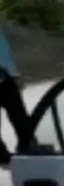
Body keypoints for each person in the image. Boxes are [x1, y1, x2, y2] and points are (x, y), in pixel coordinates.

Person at [0, 28, 30, 164]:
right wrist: (15, 74)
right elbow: (3, 53)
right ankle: (27, 147)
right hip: (3, 80)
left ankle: (1, 155)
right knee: (18, 115)